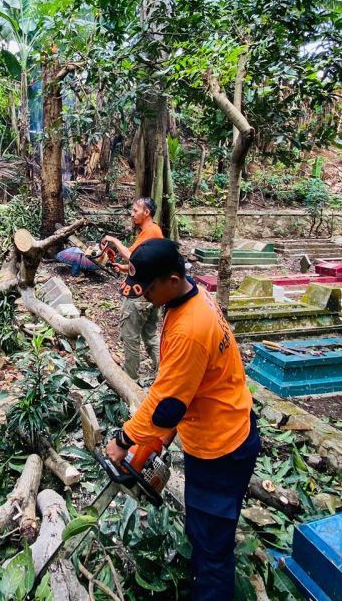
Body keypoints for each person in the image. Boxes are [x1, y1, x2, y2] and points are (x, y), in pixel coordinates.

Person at [103, 239, 260, 601]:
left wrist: (124, 440)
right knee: (203, 530)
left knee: (211, 545)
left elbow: (166, 406)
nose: (145, 298)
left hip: (221, 447)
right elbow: (185, 384)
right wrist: (161, 437)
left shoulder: (190, 328)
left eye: (150, 289)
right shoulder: (194, 295)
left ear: (172, 279)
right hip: (221, 423)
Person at [101, 197, 164, 379]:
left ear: (147, 212)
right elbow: (144, 263)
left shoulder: (152, 231)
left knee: (130, 338)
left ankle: (129, 381)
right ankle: (163, 372)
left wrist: (113, 240)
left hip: (139, 298)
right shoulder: (151, 231)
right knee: (150, 335)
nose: (132, 214)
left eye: (136, 210)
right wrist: (123, 268)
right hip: (150, 293)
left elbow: (132, 256)